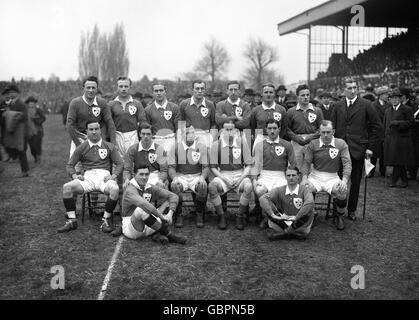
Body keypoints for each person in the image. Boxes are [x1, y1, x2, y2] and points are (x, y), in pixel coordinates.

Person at [58, 121, 123, 233]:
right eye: (91, 129)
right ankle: (72, 221)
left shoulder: (109, 146)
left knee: (115, 189)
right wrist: (75, 176)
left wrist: (114, 175)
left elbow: (120, 163)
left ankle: (105, 220)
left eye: (96, 129)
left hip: (104, 177)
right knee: (66, 187)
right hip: (88, 177)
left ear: (100, 131)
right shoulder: (81, 147)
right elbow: (69, 165)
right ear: (86, 132)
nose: (94, 132)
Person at [331, 78, 382, 221]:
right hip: (339, 150)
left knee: (355, 182)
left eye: (355, 88)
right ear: (344, 90)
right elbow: (332, 128)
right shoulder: (338, 106)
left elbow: (376, 127)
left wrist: (370, 147)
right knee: (338, 180)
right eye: (349, 88)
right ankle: (337, 210)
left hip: (358, 150)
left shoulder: (366, 105)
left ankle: (351, 210)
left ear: (358, 89)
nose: (353, 91)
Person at [301, 120, 352, 230]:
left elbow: (347, 163)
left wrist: (344, 180)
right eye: (323, 132)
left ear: (333, 131)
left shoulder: (341, 144)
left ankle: (339, 215)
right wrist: (304, 178)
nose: (325, 135)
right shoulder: (313, 144)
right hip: (315, 176)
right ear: (319, 131)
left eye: (328, 132)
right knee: (304, 188)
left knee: (342, 190)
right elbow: (306, 163)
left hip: (332, 177)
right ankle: (311, 214)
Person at [118, 165, 187, 245]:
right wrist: (161, 216)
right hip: (132, 228)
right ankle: (170, 235)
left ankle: (156, 235)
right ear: (134, 175)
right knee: (141, 209)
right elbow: (143, 204)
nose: (144, 177)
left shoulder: (149, 187)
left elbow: (173, 196)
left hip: (147, 223)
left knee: (167, 202)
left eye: (146, 174)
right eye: (141, 174)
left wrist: (170, 214)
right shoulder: (130, 189)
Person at [208, 122, 253, 230]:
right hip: (224, 175)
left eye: (231, 129)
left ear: (236, 131)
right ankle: (221, 215)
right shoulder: (216, 145)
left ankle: (239, 216)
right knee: (211, 187)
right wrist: (224, 179)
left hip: (240, 174)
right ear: (222, 131)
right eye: (226, 129)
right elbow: (213, 167)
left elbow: (248, 166)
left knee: (248, 186)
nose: (229, 132)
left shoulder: (242, 143)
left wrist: (241, 179)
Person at [66, 76, 116, 172]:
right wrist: (78, 143)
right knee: (76, 167)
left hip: (97, 138)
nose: (91, 90)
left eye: (93, 88)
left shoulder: (102, 103)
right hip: (80, 138)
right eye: (88, 87)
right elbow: (69, 124)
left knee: (98, 167)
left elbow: (110, 123)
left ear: (97, 89)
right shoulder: (75, 103)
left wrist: (113, 143)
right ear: (83, 88)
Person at [253, 119, 296, 229]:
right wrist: (254, 179)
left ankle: (272, 217)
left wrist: (291, 179)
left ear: (279, 129)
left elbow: (292, 164)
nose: (272, 131)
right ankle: (267, 216)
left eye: (274, 128)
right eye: (270, 128)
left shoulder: (287, 144)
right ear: (266, 130)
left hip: (280, 175)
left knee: (282, 191)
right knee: (259, 190)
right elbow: (256, 164)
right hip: (264, 175)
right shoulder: (259, 145)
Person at [168, 125, 209, 228]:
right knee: (175, 186)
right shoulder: (176, 147)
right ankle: (179, 213)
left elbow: (205, 167)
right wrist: (174, 178)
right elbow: (171, 167)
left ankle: (199, 213)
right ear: (182, 135)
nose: (190, 135)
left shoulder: (201, 147)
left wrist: (202, 177)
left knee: (202, 185)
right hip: (181, 176)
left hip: (196, 176)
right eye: (187, 133)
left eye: (192, 133)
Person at [259, 166, 315, 240]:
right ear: (285, 177)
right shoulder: (279, 189)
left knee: (309, 209)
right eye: (288, 175)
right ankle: (292, 234)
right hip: (282, 221)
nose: (291, 178)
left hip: (300, 224)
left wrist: (296, 217)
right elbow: (262, 198)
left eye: (293, 175)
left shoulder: (305, 190)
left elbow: (310, 202)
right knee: (267, 205)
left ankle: (284, 234)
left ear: (298, 176)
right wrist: (273, 215)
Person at [286, 84, 324, 169]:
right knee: (295, 167)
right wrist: (296, 138)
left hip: (312, 141)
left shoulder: (317, 111)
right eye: (303, 95)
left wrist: (312, 137)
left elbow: (321, 128)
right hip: (296, 143)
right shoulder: (291, 111)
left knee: (311, 167)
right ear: (297, 97)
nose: (306, 97)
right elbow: (287, 129)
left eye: (307, 95)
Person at [383, 89, 415, 188]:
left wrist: (398, 123)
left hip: (402, 140)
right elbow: (385, 125)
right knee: (397, 161)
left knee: (399, 161)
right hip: (391, 139)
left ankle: (395, 180)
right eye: (392, 98)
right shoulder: (388, 111)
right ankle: (403, 180)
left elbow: (411, 123)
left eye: (396, 98)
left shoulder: (407, 109)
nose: (394, 100)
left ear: (400, 99)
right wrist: (385, 138)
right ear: (389, 100)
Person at [108, 76, 146, 157]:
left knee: (133, 163)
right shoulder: (111, 104)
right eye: (121, 86)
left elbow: (143, 123)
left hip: (133, 135)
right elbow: (109, 124)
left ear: (130, 87)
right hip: (117, 136)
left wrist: (142, 139)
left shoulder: (137, 104)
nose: (123, 89)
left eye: (126, 86)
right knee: (118, 163)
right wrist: (112, 141)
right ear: (117, 87)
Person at [123, 123, 168, 190]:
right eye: (143, 134)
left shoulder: (159, 149)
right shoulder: (132, 149)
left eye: (148, 134)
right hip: (139, 176)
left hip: (155, 176)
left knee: (161, 186)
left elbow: (164, 170)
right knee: (127, 187)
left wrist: (161, 180)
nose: (145, 136)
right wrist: (126, 179)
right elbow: (127, 170)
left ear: (152, 134)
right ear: (139, 134)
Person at [1, 84, 30, 177]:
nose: (11, 94)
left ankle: (25, 171)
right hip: (12, 130)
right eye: (10, 93)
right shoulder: (9, 103)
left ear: (17, 94)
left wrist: (10, 114)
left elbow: (24, 117)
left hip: (20, 131)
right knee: (10, 146)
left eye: (13, 92)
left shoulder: (21, 104)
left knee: (21, 150)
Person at [179, 80, 217, 148]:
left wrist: (211, 139)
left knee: (205, 158)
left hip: (205, 137)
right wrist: (184, 137)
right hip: (189, 137)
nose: (200, 91)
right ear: (192, 90)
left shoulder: (210, 104)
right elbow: (181, 123)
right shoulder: (184, 104)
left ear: (205, 90)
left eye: (202, 88)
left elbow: (214, 123)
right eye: (197, 88)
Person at [144, 82, 179, 151]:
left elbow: (179, 128)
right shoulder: (147, 109)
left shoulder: (174, 107)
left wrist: (178, 142)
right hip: (155, 140)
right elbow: (146, 129)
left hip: (170, 140)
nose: (159, 93)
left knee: (171, 161)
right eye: (156, 91)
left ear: (165, 92)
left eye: (161, 90)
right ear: (152, 93)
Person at [370, 86, 391, 177]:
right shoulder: (373, 105)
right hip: (375, 133)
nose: (387, 96)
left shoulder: (389, 105)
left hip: (385, 132)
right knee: (373, 154)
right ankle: (371, 171)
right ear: (380, 95)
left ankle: (383, 171)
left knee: (384, 153)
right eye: (385, 94)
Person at [25, 96, 46, 163]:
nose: (31, 104)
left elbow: (43, 118)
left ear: (34, 103)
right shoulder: (25, 111)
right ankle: (35, 156)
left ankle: (38, 156)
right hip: (29, 131)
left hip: (38, 131)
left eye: (32, 102)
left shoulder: (38, 110)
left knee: (37, 145)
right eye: (30, 103)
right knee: (31, 147)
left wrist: (36, 120)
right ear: (28, 104)